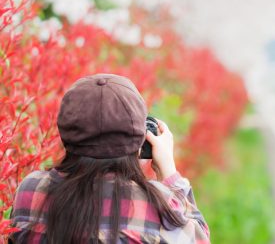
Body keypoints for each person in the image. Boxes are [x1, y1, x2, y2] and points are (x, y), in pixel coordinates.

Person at [9, 73, 210, 243]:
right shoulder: (158, 204)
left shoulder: (31, 189)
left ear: (66, 131)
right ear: (141, 141)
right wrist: (169, 173)